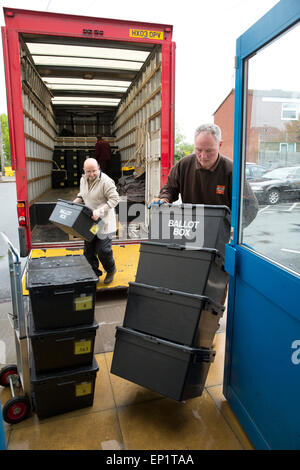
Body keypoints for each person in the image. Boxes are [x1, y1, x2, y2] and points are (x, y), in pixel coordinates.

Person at [151, 123, 258, 227]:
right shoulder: (183, 165)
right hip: (190, 227)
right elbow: (169, 189)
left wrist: (231, 227)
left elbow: (251, 206)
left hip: (219, 232)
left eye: (209, 151)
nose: (203, 156)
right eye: (198, 150)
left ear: (219, 145)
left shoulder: (232, 171)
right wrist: (164, 199)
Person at [73, 158, 119, 284]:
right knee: (88, 251)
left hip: (104, 223)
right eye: (88, 171)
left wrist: (100, 211)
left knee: (103, 250)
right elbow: (82, 194)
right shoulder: (83, 179)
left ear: (98, 167)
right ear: (84, 171)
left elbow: (115, 199)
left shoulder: (106, 181)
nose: (91, 174)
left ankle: (111, 269)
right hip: (90, 223)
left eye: (94, 171)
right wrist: (75, 202)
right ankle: (94, 273)